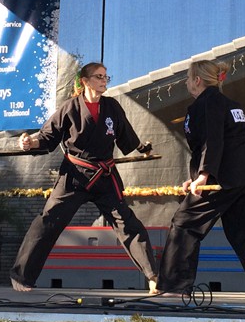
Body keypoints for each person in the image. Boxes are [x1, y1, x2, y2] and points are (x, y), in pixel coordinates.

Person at [10, 62, 158, 293]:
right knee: (48, 221)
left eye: (106, 77)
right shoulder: (69, 108)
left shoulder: (112, 107)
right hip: (74, 177)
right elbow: (47, 138)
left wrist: (142, 148)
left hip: (105, 176)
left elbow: (126, 135)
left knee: (127, 223)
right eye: (99, 76)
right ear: (85, 81)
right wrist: (30, 142)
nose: (104, 81)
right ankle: (22, 276)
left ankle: (153, 276)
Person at [156, 60, 245, 298]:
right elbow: (224, 142)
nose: (187, 82)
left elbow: (212, 141)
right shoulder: (230, 104)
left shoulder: (207, 103)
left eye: (187, 78)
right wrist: (196, 177)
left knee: (185, 223)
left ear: (197, 80)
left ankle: (175, 286)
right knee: (243, 231)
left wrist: (204, 176)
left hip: (224, 178)